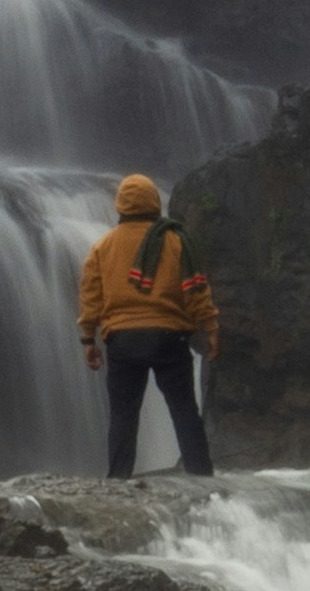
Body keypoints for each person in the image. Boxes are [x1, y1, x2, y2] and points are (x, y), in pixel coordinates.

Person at [77, 172, 218, 478]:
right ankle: (203, 479)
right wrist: (210, 327)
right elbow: (196, 290)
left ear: (120, 206)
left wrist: (88, 340)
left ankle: (118, 482)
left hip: (122, 341)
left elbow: (91, 298)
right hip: (169, 338)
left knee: (124, 416)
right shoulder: (175, 241)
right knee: (184, 411)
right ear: (154, 202)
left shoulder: (103, 247)